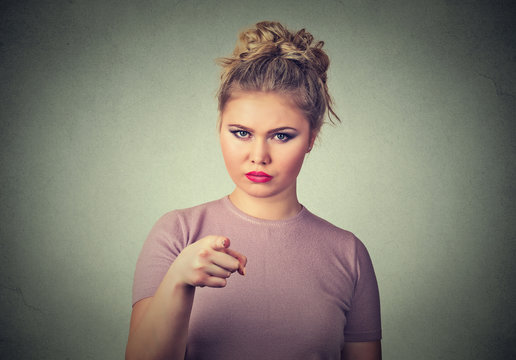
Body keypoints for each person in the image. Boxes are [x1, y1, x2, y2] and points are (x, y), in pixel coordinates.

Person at [125, 21, 382, 360]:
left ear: (312, 139)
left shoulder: (349, 254)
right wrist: (178, 280)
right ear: (220, 127)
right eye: (241, 133)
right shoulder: (177, 234)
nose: (258, 156)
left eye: (281, 135)